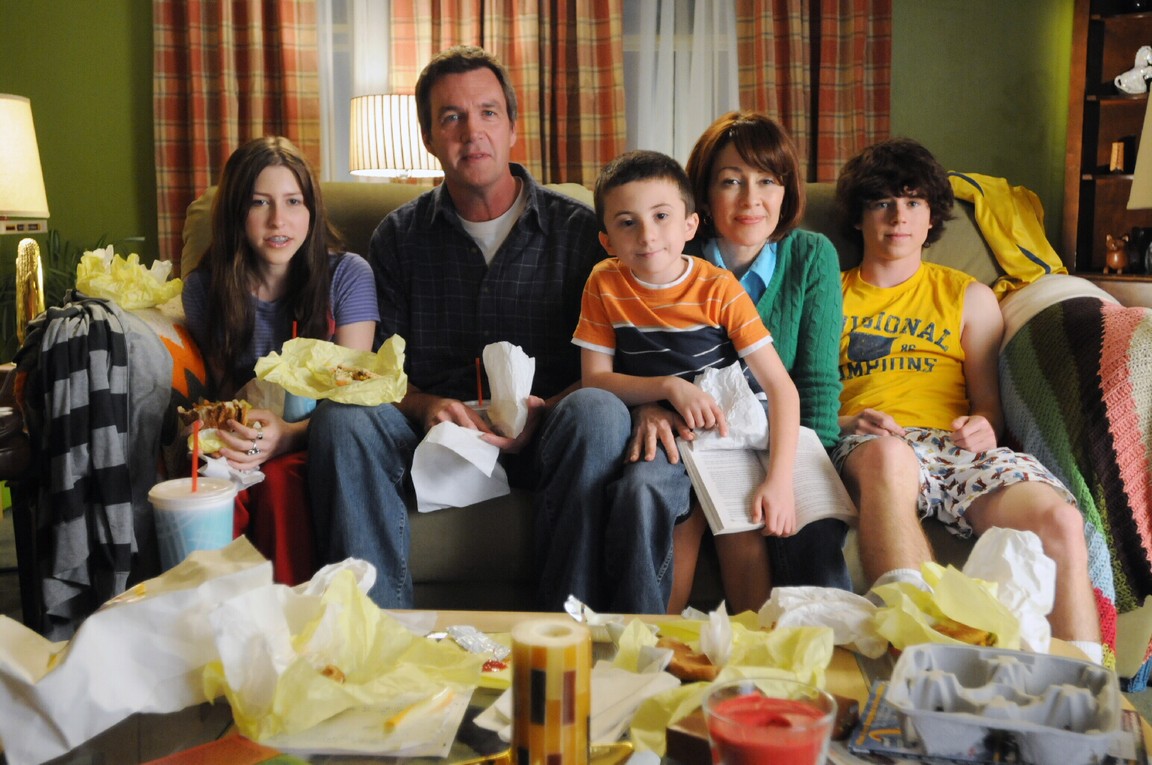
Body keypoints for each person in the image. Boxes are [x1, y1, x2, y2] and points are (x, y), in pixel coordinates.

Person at [305, 46, 604, 608]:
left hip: (548, 432)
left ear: (513, 126)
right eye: (452, 118)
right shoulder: (397, 238)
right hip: (428, 439)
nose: (473, 132)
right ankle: (378, 634)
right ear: (428, 138)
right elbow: (375, 374)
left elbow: (610, 366)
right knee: (341, 419)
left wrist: (549, 409)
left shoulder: (581, 234)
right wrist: (426, 406)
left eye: (488, 112)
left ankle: (567, 632)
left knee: (598, 412)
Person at [832, 137, 1103, 662]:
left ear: (932, 215)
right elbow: (803, 399)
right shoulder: (831, 297)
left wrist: (983, 426)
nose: (899, 217)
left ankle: (1082, 687)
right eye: (882, 202)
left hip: (955, 450)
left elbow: (989, 408)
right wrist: (848, 421)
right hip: (872, 444)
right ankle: (918, 660)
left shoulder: (969, 296)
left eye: (913, 202)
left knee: (1062, 520)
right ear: (859, 217)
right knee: (890, 457)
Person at [573, 149, 802, 614]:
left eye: (661, 216)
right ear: (606, 240)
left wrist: (779, 481)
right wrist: (667, 387)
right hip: (662, 431)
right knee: (641, 490)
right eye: (628, 223)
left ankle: (753, 647)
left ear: (690, 225)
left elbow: (780, 387)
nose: (647, 235)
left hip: (727, 428)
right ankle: (645, 634)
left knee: (742, 527)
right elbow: (594, 381)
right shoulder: (604, 283)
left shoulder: (718, 288)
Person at [665, 112, 851, 613]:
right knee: (708, 524)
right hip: (698, 437)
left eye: (768, 180)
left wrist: (797, 473)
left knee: (816, 551)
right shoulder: (675, 257)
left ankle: (816, 655)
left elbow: (816, 383)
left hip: (784, 435)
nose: (751, 199)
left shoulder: (812, 255)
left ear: (787, 191)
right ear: (703, 197)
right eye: (731, 181)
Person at [182, 135, 378, 583]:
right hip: (246, 442)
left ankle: (291, 613)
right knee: (212, 486)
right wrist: (229, 439)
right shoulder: (204, 289)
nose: (278, 220)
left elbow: (356, 401)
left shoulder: (348, 276)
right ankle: (216, 611)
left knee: (280, 484)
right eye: (259, 203)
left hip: (321, 439)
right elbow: (223, 395)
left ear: (312, 210)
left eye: (293, 202)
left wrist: (287, 436)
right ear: (236, 212)